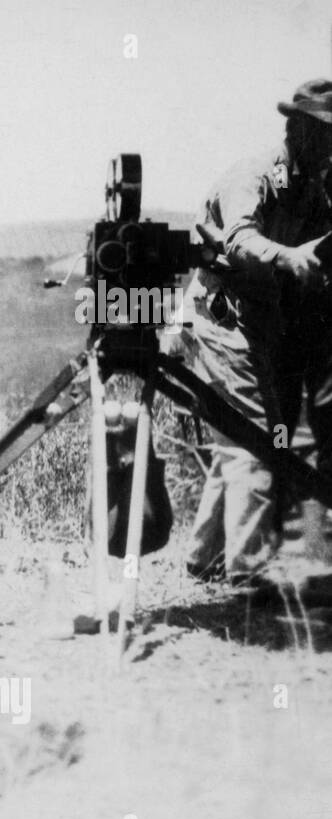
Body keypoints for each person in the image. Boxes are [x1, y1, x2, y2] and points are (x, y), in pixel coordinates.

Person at [179, 79, 332, 584]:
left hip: (255, 326)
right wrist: (288, 256)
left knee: (237, 436)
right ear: (297, 130)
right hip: (222, 323)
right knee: (256, 443)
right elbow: (241, 237)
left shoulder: (312, 188)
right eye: (325, 135)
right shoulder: (254, 175)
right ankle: (248, 571)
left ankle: (204, 557)